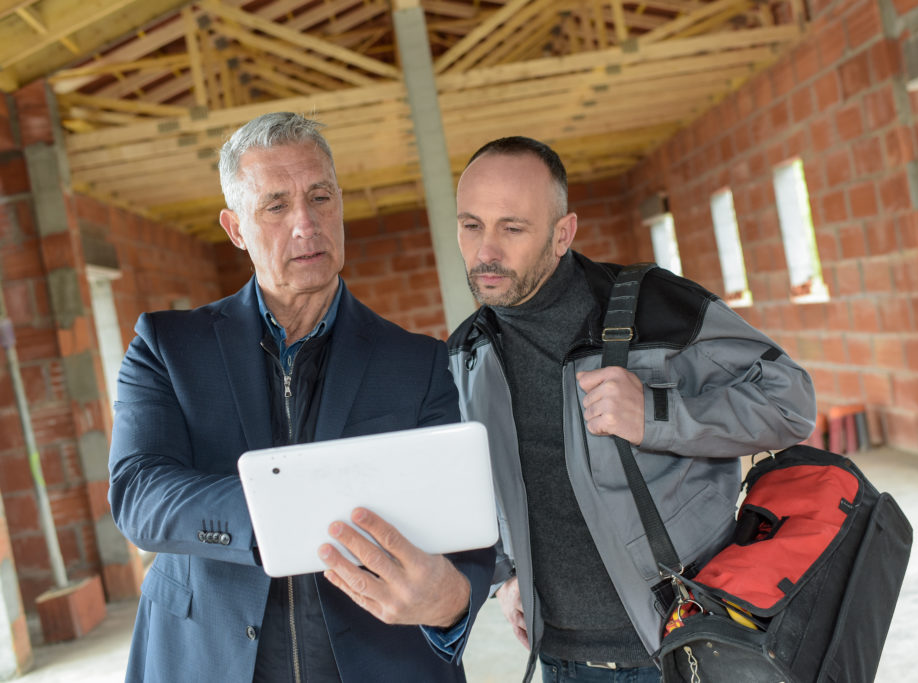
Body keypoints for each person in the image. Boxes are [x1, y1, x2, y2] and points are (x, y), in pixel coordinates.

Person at [108, 112, 494, 683]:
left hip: (376, 664)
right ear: (235, 227)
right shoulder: (166, 347)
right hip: (206, 660)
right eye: (276, 206)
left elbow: (460, 524)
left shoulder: (417, 362)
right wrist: (276, 516)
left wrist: (456, 600)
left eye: (320, 197)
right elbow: (139, 492)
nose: (306, 224)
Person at [447, 136, 817, 682]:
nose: (486, 252)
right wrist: (505, 573)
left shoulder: (655, 306)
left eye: (512, 227)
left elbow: (790, 401)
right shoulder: (468, 354)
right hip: (562, 658)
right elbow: (484, 483)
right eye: (472, 225)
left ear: (562, 234)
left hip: (685, 639)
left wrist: (658, 414)